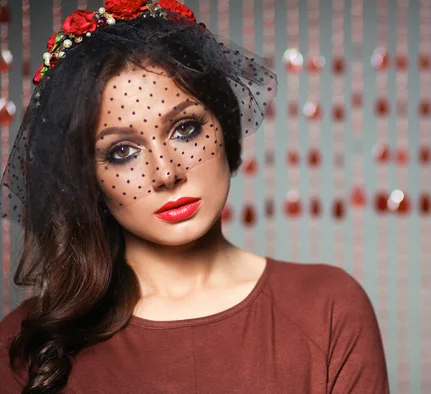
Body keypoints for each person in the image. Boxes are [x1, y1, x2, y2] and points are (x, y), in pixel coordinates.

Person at [0, 1, 389, 393]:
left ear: (223, 127)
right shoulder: (24, 344)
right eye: (122, 152)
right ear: (89, 178)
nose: (166, 173)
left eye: (185, 129)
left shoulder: (328, 308)